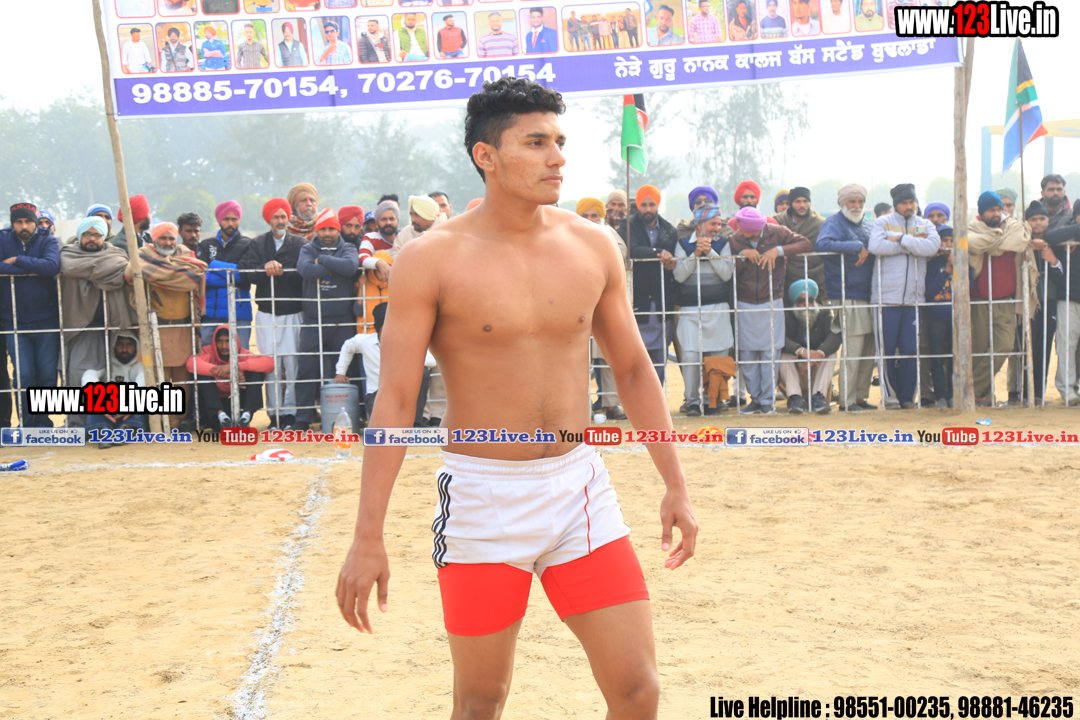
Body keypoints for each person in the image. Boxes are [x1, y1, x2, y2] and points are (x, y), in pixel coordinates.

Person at [335, 77, 696, 720]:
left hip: (580, 490)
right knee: (481, 702)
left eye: (559, 141)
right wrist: (368, 536)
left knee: (639, 691)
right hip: (483, 501)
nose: (557, 157)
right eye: (536, 143)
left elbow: (634, 369)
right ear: (487, 156)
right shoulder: (430, 259)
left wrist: (675, 484)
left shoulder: (593, 244)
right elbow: (395, 398)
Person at [729, 207, 813, 414]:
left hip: (772, 299)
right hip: (744, 300)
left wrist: (778, 250)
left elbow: (806, 243)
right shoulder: (734, 240)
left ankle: (767, 400)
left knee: (770, 353)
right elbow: (727, 268)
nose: (739, 230)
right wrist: (740, 256)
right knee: (747, 353)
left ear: (754, 229)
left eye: (743, 228)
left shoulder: (777, 232)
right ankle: (755, 399)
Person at [59, 216, 138, 427]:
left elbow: (122, 267)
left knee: (116, 375)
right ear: (80, 236)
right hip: (82, 327)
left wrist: (88, 271)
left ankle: (111, 423)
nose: (91, 239)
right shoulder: (68, 253)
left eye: (96, 235)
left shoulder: (116, 254)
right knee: (76, 373)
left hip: (115, 326)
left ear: (104, 237)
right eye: (87, 234)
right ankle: (77, 425)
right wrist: (102, 270)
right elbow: (68, 266)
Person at [868, 183, 940, 409]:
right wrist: (913, 244)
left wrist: (900, 239)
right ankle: (891, 398)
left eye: (912, 202)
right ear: (896, 205)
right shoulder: (882, 222)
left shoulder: (925, 224)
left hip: (914, 299)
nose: (909, 206)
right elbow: (876, 246)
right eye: (904, 203)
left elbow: (932, 247)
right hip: (885, 299)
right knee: (886, 351)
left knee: (910, 350)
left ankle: (908, 398)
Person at [127, 222, 206, 430]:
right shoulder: (142, 255)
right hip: (154, 329)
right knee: (156, 379)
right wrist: (174, 273)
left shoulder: (186, 255)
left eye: (171, 238)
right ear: (154, 240)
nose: (168, 242)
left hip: (182, 329)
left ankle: (175, 422)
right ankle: (157, 423)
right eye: (163, 238)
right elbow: (130, 272)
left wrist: (158, 275)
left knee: (182, 382)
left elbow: (194, 276)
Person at [240, 198, 306, 430]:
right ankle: (274, 415)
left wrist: (280, 270)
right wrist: (265, 269)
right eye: (276, 217)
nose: (280, 221)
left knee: (292, 363)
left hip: (293, 312)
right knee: (271, 364)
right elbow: (248, 273)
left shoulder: (300, 243)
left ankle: (291, 414)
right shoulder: (258, 243)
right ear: (269, 219)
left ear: (288, 218)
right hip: (267, 313)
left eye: (283, 216)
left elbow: (303, 272)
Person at [967, 191, 1038, 406]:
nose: (997, 213)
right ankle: (983, 396)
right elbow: (970, 243)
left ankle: (970, 389)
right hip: (979, 299)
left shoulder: (1013, 226)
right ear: (982, 212)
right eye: (992, 210)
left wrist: (990, 243)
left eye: (999, 209)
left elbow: (1019, 241)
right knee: (979, 350)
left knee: (1005, 345)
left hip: (1005, 299)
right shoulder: (971, 228)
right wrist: (1000, 240)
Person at [294, 209, 360, 431]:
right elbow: (305, 270)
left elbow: (350, 267)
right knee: (307, 369)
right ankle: (303, 418)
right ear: (317, 230)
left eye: (332, 229)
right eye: (323, 229)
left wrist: (322, 260)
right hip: (313, 321)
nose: (328, 233)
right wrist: (335, 265)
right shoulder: (307, 248)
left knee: (345, 369)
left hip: (342, 321)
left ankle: (350, 416)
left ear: (338, 229)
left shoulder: (348, 247)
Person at [816, 183, 877, 412]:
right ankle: (847, 400)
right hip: (847, 292)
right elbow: (822, 244)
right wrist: (856, 245)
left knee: (868, 349)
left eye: (860, 201)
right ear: (842, 203)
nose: (857, 206)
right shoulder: (834, 222)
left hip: (869, 293)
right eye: (852, 201)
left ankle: (860, 397)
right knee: (853, 347)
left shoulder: (867, 224)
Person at [0, 203, 61, 428]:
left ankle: (43, 422)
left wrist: (17, 260)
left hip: (46, 317)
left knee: (47, 375)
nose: (24, 226)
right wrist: (34, 268)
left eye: (28, 221)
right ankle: (26, 423)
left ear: (35, 222)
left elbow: (52, 266)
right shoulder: (2, 238)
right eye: (19, 222)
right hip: (13, 319)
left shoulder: (48, 240)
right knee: (23, 375)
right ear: (12, 223)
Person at [673, 202, 734, 416]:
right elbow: (679, 276)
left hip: (718, 308)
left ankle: (712, 401)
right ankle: (692, 401)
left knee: (717, 356)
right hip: (690, 310)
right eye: (713, 224)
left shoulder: (724, 244)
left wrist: (711, 253)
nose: (717, 228)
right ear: (699, 225)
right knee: (690, 357)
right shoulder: (683, 244)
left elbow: (727, 274)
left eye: (719, 224)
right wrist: (696, 254)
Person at [335, 302, 436, 428]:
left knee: (423, 372)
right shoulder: (365, 341)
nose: (391, 330)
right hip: (377, 394)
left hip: (403, 393)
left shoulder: (407, 340)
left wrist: (404, 352)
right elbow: (347, 346)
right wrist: (340, 372)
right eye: (386, 327)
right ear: (379, 328)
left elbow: (431, 362)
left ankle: (415, 423)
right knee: (385, 427)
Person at [577, 197, 629, 420]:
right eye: (585, 216)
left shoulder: (609, 235)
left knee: (608, 357)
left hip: (604, 305)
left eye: (594, 216)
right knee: (578, 360)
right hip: (576, 307)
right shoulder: (569, 234)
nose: (590, 220)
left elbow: (621, 254)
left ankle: (610, 404)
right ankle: (581, 408)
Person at [624, 184, 679, 383]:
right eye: (644, 205)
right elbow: (631, 249)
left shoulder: (669, 230)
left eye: (652, 204)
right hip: (638, 300)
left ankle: (657, 395)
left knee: (659, 356)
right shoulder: (628, 225)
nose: (648, 209)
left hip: (662, 299)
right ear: (638, 206)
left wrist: (670, 261)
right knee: (637, 357)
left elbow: (673, 258)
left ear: (658, 205)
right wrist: (658, 253)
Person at [188, 325, 274, 430]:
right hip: (214, 412)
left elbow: (269, 363)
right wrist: (227, 375)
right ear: (215, 342)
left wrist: (234, 367)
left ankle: (245, 417)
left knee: (256, 373)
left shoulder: (242, 353)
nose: (224, 346)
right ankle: (222, 417)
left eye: (228, 341)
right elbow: (191, 363)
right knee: (201, 375)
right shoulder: (208, 352)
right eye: (220, 341)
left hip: (239, 406)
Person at [197, 200, 253, 349]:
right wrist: (232, 274)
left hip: (239, 314)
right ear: (219, 220)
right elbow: (201, 277)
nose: (230, 223)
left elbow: (244, 276)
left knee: (241, 356)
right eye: (226, 219)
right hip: (210, 314)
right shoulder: (206, 245)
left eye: (234, 219)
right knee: (208, 356)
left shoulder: (248, 244)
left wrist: (213, 265)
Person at [781, 279, 839, 414]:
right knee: (783, 354)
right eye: (801, 301)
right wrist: (803, 352)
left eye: (810, 300)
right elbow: (779, 339)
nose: (806, 305)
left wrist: (818, 355)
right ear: (795, 301)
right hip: (796, 370)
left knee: (831, 353)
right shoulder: (787, 315)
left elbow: (835, 336)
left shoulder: (823, 313)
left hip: (815, 369)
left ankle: (818, 397)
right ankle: (796, 398)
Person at [83, 332, 150, 449]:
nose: (124, 349)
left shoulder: (141, 365)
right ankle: (103, 432)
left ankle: (125, 430)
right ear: (114, 346)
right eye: (120, 344)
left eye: (129, 344)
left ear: (136, 346)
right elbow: (88, 375)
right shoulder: (107, 363)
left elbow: (143, 383)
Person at [1045, 203, 1080, 405]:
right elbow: (1049, 236)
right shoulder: (1067, 229)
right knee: (1067, 343)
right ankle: (1067, 391)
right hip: (1069, 297)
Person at [923, 224, 957, 408]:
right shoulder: (932, 265)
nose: (948, 244)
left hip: (956, 317)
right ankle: (940, 396)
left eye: (952, 241)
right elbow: (929, 292)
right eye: (945, 240)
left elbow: (968, 285)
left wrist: (955, 266)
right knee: (937, 357)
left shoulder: (962, 262)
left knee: (954, 357)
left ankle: (952, 394)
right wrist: (948, 271)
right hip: (936, 316)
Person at [775, 186, 826, 305]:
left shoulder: (820, 224)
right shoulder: (778, 222)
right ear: (791, 204)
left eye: (805, 201)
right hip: (786, 277)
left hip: (815, 275)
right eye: (797, 201)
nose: (802, 205)